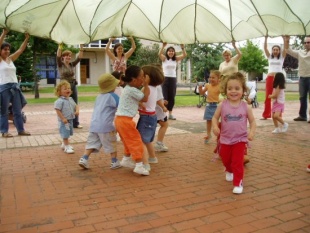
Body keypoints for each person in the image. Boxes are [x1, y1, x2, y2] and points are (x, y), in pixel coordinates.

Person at [212, 72, 256, 194]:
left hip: (240, 139)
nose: (233, 91)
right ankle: (229, 170)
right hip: (225, 138)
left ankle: (238, 183)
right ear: (225, 90)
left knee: (237, 161)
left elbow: (252, 122)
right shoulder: (222, 105)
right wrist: (215, 127)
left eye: (237, 88)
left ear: (243, 90)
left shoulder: (246, 107)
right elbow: (215, 118)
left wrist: (251, 133)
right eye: (230, 88)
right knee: (225, 158)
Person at [78, 74, 122, 169]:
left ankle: (84, 158)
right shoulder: (113, 96)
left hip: (94, 125)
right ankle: (114, 161)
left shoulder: (99, 96)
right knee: (111, 143)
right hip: (106, 126)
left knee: (92, 143)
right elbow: (121, 105)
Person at [114, 65, 150, 176]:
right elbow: (145, 98)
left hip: (119, 120)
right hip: (125, 121)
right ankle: (139, 165)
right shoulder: (132, 90)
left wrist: (139, 104)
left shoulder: (127, 89)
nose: (143, 79)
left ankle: (126, 159)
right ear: (134, 80)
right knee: (136, 141)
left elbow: (130, 101)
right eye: (142, 77)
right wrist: (146, 85)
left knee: (127, 141)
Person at [0, 29, 30, 137]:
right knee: (4, 111)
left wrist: (26, 39)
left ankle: (21, 130)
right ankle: (4, 132)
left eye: (8, 49)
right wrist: (4, 33)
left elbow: (20, 50)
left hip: (15, 87)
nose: (7, 51)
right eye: (4, 49)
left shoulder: (10, 59)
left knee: (17, 110)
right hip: (4, 87)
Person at [137, 65, 164, 172]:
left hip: (146, 117)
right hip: (151, 116)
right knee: (147, 140)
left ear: (146, 78)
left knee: (141, 141)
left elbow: (141, 100)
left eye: (142, 75)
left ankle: (145, 164)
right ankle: (152, 157)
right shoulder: (155, 88)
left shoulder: (146, 88)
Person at [57, 43, 84, 129]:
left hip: (72, 85)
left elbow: (79, 58)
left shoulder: (72, 64)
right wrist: (60, 46)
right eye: (66, 56)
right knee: (64, 104)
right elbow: (58, 56)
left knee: (74, 103)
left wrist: (81, 47)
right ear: (63, 57)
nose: (68, 57)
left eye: (70, 56)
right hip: (64, 87)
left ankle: (76, 123)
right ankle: (64, 122)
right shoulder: (60, 64)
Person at [284, 35, 310, 122]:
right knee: (302, 97)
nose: (307, 44)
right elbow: (288, 50)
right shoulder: (300, 52)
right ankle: (302, 116)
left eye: (308, 42)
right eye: (305, 42)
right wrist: (287, 41)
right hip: (302, 78)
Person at [158, 42, 187, 120]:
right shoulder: (164, 59)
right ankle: (163, 113)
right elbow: (159, 54)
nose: (171, 52)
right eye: (169, 51)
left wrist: (183, 48)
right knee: (164, 96)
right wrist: (163, 46)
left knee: (172, 96)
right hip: (165, 79)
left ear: (174, 52)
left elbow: (184, 55)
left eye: (172, 51)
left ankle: (170, 113)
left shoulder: (175, 59)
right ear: (167, 52)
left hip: (173, 79)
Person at [261, 36, 286, 120]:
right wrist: (265, 38)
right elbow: (265, 48)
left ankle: (279, 114)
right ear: (272, 51)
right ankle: (266, 115)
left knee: (279, 96)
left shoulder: (282, 57)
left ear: (279, 51)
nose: (275, 51)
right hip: (270, 77)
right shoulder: (270, 57)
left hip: (278, 79)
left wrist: (284, 39)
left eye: (277, 50)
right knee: (268, 96)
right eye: (274, 50)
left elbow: (285, 48)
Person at [54, 80, 79, 154]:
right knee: (65, 133)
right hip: (64, 121)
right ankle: (67, 146)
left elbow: (76, 105)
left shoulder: (70, 99)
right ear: (59, 92)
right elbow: (57, 110)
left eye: (68, 88)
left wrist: (77, 111)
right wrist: (63, 118)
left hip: (70, 120)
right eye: (65, 89)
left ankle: (64, 144)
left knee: (68, 132)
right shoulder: (60, 101)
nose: (68, 90)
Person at [198, 70, 221, 144]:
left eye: (213, 77)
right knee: (208, 120)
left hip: (216, 106)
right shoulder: (208, 85)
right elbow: (202, 93)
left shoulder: (220, 86)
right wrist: (200, 88)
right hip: (209, 105)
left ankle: (219, 136)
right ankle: (208, 134)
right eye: (210, 77)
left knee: (216, 122)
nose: (211, 79)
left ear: (218, 79)